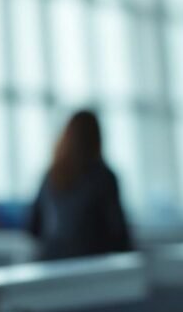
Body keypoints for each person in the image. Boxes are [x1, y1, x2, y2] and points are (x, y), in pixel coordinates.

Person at [28, 110, 132, 260]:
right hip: (90, 265)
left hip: (51, 263)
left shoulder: (51, 174)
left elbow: (33, 226)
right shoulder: (104, 176)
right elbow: (118, 232)